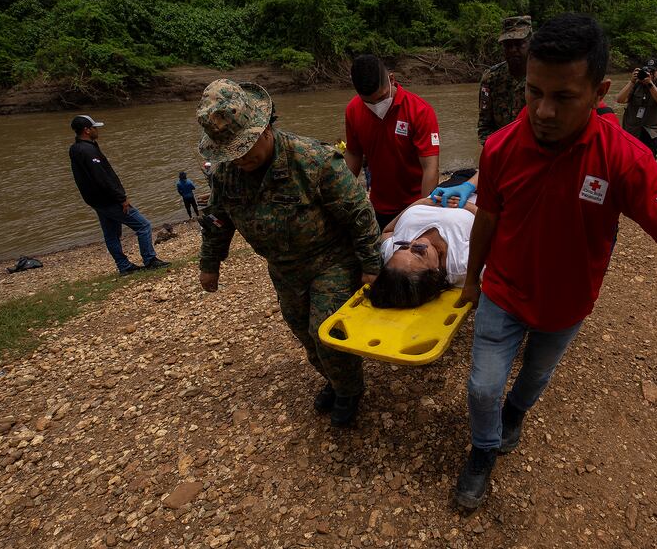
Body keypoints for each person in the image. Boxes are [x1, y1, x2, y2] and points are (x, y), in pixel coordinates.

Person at [452, 14, 657, 510]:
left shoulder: (624, 158)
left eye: (563, 97)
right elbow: (486, 220)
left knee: (532, 380)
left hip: (568, 303)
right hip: (503, 292)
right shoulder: (501, 148)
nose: (543, 112)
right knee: (481, 389)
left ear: (600, 91)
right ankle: (483, 450)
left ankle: (516, 414)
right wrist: (472, 281)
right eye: (534, 92)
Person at [197, 79, 383, 427]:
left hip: (331, 261)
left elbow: (359, 213)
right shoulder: (227, 175)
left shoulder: (313, 161)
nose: (241, 158)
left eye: (246, 147)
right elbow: (218, 220)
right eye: (232, 152)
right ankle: (333, 380)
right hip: (283, 269)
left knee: (325, 331)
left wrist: (372, 265)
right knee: (302, 332)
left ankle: (350, 390)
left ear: (266, 127)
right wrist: (210, 265)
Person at [344, 55, 441, 229]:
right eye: (369, 102)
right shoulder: (353, 110)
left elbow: (430, 167)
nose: (376, 105)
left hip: (414, 204)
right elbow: (353, 153)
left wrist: (423, 213)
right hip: (378, 205)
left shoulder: (419, 111)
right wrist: (343, 193)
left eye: (381, 98)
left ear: (391, 79)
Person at [68, 115, 170, 276]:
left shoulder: (77, 148)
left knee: (111, 234)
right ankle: (150, 260)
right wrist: (121, 197)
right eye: (94, 127)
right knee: (143, 225)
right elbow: (102, 178)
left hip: (96, 201)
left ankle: (124, 266)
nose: (97, 130)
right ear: (87, 130)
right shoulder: (88, 151)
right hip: (108, 200)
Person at [368, 177, 478, 308]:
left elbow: (386, 232)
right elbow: (498, 233)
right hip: (480, 194)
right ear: (434, 274)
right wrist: (468, 206)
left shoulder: (395, 259)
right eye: (418, 252)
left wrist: (420, 203)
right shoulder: (463, 264)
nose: (414, 241)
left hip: (446, 188)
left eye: (404, 245)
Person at [477, 16, 531, 144]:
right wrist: (498, 150)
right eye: (508, 45)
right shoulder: (491, 78)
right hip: (501, 150)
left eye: (518, 44)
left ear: (531, 43)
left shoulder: (545, 76)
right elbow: (484, 126)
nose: (513, 50)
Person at [614, 57, 657, 158]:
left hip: (651, 132)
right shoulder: (636, 84)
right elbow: (620, 99)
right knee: (629, 159)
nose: (649, 73)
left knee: (649, 161)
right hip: (632, 131)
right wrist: (631, 82)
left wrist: (650, 84)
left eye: (652, 71)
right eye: (647, 70)